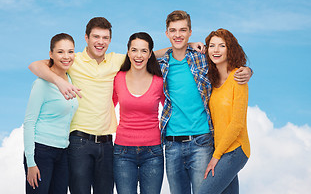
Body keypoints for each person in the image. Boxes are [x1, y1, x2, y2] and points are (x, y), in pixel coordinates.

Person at [28, 17, 204, 194]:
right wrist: (59, 82)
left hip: (107, 143)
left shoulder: (117, 62)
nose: (100, 42)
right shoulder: (73, 60)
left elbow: (146, 54)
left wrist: (187, 45)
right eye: (96, 37)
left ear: (110, 40)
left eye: (105, 38)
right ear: (86, 38)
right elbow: (35, 65)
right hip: (79, 141)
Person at [158, 10, 252, 194]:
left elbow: (228, 65)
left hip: (203, 142)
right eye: (173, 30)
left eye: (183, 30)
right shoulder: (163, 64)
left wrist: (248, 70)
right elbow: (142, 54)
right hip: (172, 143)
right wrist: (186, 44)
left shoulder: (202, 59)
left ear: (190, 31)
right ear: (167, 33)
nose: (178, 35)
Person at [23, 33, 78, 194]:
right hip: (41, 152)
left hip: (63, 152)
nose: (66, 56)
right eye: (60, 52)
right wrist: (31, 162)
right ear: (51, 54)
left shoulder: (71, 78)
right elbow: (29, 122)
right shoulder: (41, 84)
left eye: (70, 51)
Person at [198, 28, 250, 194]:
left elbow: (236, 124)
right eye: (212, 46)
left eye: (222, 46)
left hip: (235, 150)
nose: (216, 50)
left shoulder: (238, 78)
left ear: (230, 49)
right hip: (220, 149)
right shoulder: (211, 82)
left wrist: (216, 157)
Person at [112, 32, 165, 194]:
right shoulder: (118, 78)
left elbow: (172, 111)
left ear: (150, 54)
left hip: (153, 152)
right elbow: (106, 106)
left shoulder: (159, 81)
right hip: (122, 152)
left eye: (144, 51)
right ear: (128, 53)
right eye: (134, 50)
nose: (138, 55)